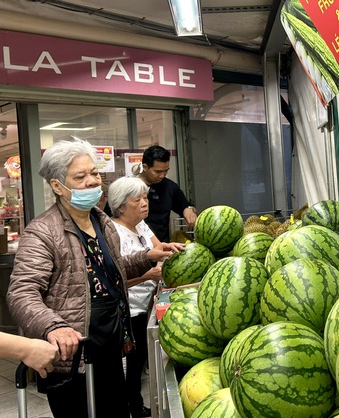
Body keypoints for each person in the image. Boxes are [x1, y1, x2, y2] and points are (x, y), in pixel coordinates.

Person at [6, 137, 178, 418]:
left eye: (95, 173)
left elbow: (110, 269)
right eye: (80, 176)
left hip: (110, 347)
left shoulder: (101, 221)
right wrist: (53, 327)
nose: (92, 181)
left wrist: (147, 257)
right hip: (74, 356)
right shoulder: (42, 232)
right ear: (57, 186)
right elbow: (21, 293)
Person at [108, 176, 178, 418]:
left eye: (145, 197)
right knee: (132, 364)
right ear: (120, 205)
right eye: (137, 199)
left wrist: (174, 250)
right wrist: (147, 275)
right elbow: (114, 279)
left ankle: (136, 405)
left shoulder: (141, 226)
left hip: (147, 304)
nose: (144, 203)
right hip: (130, 309)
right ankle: (132, 408)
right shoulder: (113, 233)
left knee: (139, 363)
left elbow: (158, 250)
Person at [137, 145, 198, 242]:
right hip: (135, 248)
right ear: (145, 167)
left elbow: (186, 206)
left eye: (166, 171)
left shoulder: (170, 187)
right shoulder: (128, 188)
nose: (162, 175)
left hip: (162, 248)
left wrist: (189, 210)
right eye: (158, 171)